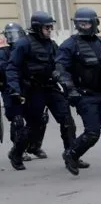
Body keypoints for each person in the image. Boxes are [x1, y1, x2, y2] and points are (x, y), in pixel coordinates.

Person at [5, 11, 85, 171]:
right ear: (37, 27)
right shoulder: (24, 44)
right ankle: (16, 153)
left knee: (67, 121)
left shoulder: (52, 45)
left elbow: (61, 64)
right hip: (34, 90)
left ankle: (72, 155)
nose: (50, 29)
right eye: (46, 27)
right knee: (34, 126)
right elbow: (12, 68)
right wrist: (15, 90)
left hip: (52, 88)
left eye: (50, 26)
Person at [55, 8, 101, 177]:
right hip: (84, 95)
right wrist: (71, 89)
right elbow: (60, 69)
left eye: (87, 23)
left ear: (95, 23)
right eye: (81, 23)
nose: (84, 26)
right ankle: (71, 154)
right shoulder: (69, 45)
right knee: (92, 133)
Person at [0, 22, 39, 162]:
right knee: (17, 121)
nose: (12, 37)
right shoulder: (3, 53)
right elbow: (6, 71)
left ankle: (34, 146)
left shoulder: (26, 49)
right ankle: (18, 149)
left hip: (28, 88)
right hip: (10, 90)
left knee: (38, 119)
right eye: (9, 34)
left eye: (15, 33)